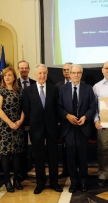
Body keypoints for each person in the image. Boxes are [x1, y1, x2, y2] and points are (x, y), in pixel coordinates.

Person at [23, 64, 63, 194]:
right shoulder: (29, 90)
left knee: (53, 156)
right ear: (35, 75)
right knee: (38, 157)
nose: (42, 76)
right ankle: (40, 183)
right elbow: (27, 110)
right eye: (39, 73)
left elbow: (58, 108)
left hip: (52, 128)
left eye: (44, 73)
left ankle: (54, 182)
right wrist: (32, 123)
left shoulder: (54, 89)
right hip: (36, 129)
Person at [58, 64, 96, 193]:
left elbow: (93, 107)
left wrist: (86, 117)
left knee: (83, 157)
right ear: (69, 73)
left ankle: (83, 182)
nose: (76, 75)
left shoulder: (88, 88)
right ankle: (74, 182)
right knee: (71, 156)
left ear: (81, 73)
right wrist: (67, 116)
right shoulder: (62, 89)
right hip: (68, 128)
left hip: (83, 127)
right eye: (73, 73)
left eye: (78, 73)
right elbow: (58, 107)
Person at [0, 67, 25, 192]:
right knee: (6, 155)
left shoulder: (20, 91)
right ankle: (7, 180)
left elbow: (25, 108)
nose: (7, 77)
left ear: (14, 77)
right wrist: (10, 123)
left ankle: (16, 179)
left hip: (18, 126)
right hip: (5, 128)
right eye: (5, 75)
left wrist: (21, 121)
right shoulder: (0, 91)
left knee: (17, 154)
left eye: (10, 75)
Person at [17, 60, 36, 181]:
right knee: (21, 147)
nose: (24, 70)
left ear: (29, 69)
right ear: (18, 70)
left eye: (26, 68)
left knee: (36, 146)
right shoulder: (14, 83)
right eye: (21, 68)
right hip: (19, 121)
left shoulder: (35, 83)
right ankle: (22, 172)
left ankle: (35, 169)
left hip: (34, 120)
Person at [56, 62, 73, 178]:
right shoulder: (58, 86)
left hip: (78, 121)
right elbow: (56, 105)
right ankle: (66, 170)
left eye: (69, 70)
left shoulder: (83, 85)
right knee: (65, 147)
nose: (66, 72)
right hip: (64, 122)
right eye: (64, 70)